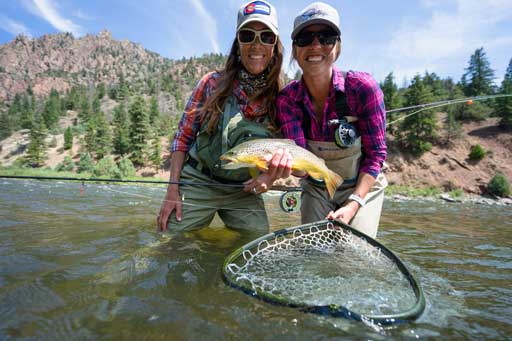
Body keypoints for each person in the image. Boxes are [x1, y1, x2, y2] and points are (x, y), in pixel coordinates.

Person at [158, 0, 292, 232]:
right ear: (238, 43)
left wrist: (270, 178)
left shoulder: (283, 97)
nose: (256, 44)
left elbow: (286, 151)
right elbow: (182, 139)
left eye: (266, 37)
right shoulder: (211, 83)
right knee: (169, 242)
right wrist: (172, 191)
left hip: (244, 189)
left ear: (275, 46)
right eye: (248, 35)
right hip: (200, 179)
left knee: (256, 246)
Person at [276, 2, 388, 238]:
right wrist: (283, 168)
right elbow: (302, 170)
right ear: (295, 50)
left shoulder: (363, 89)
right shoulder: (287, 100)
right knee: (313, 254)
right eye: (305, 38)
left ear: (337, 47)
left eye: (326, 37)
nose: (316, 45)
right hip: (317, 187)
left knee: (352, 255)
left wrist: (354, 203)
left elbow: (376, 155)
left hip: (362, 185)